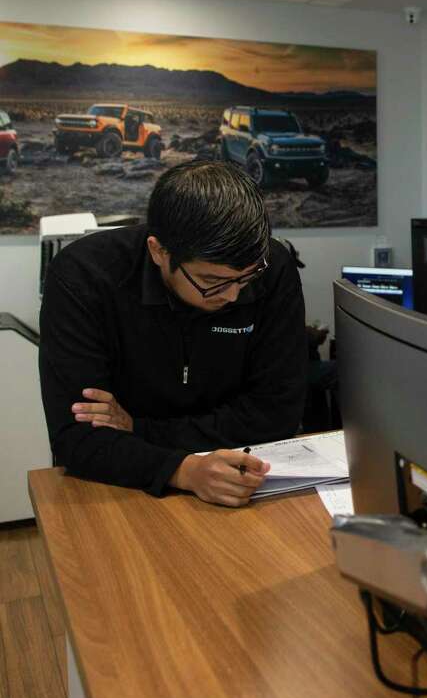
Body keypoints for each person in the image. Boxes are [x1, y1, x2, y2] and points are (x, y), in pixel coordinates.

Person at [39, 160, 307, 507]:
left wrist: (137, 429)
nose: (233, 296)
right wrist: (184, 470)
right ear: (159, 251)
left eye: (246, 278)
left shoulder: (273, 267)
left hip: (241, 479)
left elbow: (277, 415)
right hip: (118, 491)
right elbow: (77, 439)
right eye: (212, 282)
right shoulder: (83, 278)